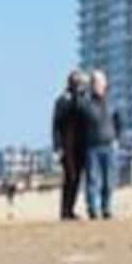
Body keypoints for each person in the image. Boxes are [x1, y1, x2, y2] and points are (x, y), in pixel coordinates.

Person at [82, 69, 122, 219]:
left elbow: (119, 123)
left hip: (109, 146)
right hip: (92, 147)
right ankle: (93, 209)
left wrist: (118, 139)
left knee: (109, 180)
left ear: (105, 84)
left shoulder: (112, 103)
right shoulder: (85, 104)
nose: (96, 85)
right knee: (92, 180)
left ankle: (106, 208)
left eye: (99, 82)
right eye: (93, 82)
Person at [52, 71, 87, 221]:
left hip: (81, 145)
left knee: (77, 178)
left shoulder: (83, 99)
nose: (78, 85)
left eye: (80, 82)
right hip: (67, 146)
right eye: (76, 82)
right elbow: (55, 125)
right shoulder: (62, 101)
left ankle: (70, 209)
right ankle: (65, 210)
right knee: (70, 177)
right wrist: (57, 147)